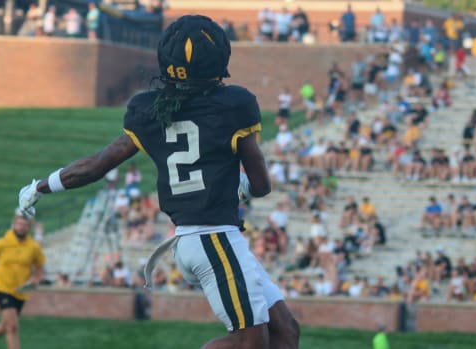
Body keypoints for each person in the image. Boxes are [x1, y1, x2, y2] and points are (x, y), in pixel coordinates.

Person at [17, 16, 299, 349]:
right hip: (213, 236)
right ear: (219, 60)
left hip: (199, 239)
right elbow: (262, 184)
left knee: (285, 331)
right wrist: (245, 190)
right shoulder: (235, 105)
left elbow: (95, 165)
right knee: (250, 343)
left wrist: (40, 186)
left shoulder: (149, 109)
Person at [0, 211, 45, 349]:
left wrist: (36, 279)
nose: (21, 227)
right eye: (19, 224)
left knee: (5, 326)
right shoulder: (2, 243)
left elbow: (40, 270)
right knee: (12, 327)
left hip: (21, 291)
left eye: (24, 225)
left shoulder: (34, 247)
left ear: (28, 227)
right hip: (2, 287)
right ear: (14, 225)